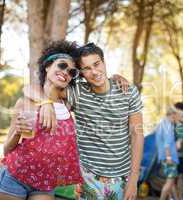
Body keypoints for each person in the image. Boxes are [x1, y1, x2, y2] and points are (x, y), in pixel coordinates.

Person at [23, 42, 144, 200]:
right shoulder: (78, 93)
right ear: (80, 73)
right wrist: (45, 102)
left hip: (121, 177)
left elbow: (137, 135)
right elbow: (29, 88)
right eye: (87, 68)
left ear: (104, 62)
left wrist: (134, 179)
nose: (94, 72)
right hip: (86, 177)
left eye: (97, 64)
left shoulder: (127, 91)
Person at [0, 40, 84, 200]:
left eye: (72, 72)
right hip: (15, 177)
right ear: (48, 66)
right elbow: (6, 150)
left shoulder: (69, 106)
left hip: (45, 184)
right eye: (62, 66)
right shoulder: (25, 102)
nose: (66, 73)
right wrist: (17, 133)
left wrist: (117, 79)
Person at [155, 106, 179, 200]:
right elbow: (167, 145)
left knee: (171, 182)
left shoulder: (161, 124)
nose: (176, 118)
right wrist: (169, 159)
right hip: (170, 158)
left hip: (163, 157)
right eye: (176, 116)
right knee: (169, 182)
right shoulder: (168, 126)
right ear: (172, 115)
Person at [173, 102, 183, 200]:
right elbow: (178, 142)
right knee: (172, 179)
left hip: (181, 155)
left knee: (180, 177)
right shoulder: (173, 124)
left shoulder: (181, 125)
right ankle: (176, 197)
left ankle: (178, 197)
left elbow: (181, 140)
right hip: (174, 155)